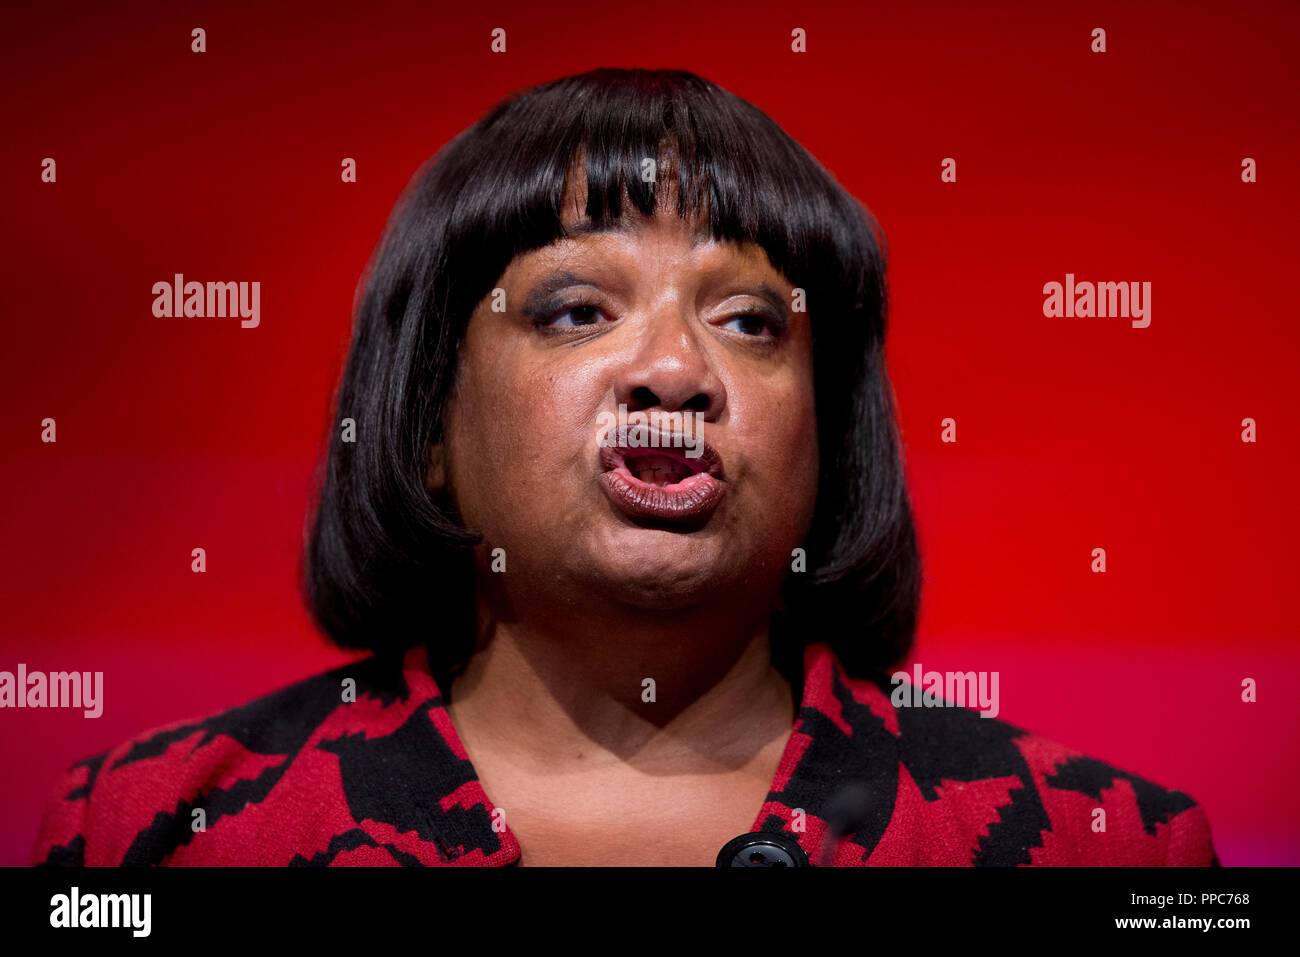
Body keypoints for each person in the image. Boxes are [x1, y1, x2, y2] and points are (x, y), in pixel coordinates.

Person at [31, 68, 1217, 867]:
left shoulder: (1099, 844)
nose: (671, 369)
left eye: (751, 321)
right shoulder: (147, 835)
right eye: (575, 309)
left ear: (829, 430)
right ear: (427, 427)